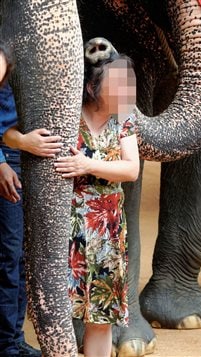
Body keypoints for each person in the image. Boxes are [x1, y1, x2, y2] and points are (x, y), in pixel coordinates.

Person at [52, 42, 140, 357]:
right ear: (92, 86)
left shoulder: (124, 120)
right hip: (67, 227)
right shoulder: (65, 116)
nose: (126, 90)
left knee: (101, 316)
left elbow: (131, 169)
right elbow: (12, 133)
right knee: (58, 310)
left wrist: (87, 165)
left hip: (107, 231)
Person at [0, 43, 62, 357]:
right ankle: (6, 342)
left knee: (21, 253)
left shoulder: (18, 67)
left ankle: (14, 337)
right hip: (9, 162)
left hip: (26, 161)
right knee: (9, 254)